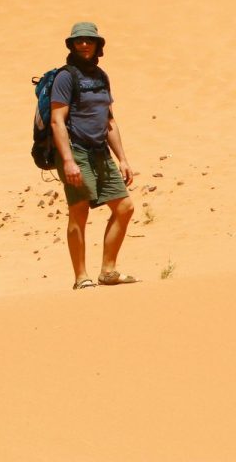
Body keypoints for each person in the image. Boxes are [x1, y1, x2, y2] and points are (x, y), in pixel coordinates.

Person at [49, 21, 137, 290]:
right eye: (79, 41)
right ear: (72, 45)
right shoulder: (66, 77)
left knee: (124, 207)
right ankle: (81, 277)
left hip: (100, 151)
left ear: (98, 45)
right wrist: (67, 161)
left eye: (89, 40)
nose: (84, 44)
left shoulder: (100, 76)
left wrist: (122, 158)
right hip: (76, 152)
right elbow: (56, 121)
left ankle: (108, 271)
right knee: (79, 210)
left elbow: (109, 120)